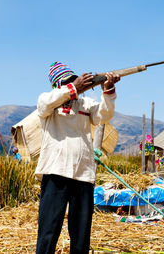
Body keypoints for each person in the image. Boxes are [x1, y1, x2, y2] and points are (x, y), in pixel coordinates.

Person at [34, 62, 120, 253]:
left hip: (83, 175)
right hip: (55, 172)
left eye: (73, 80)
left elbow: (104, 115)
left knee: (81, 233)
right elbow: (45, 104)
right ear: (59, 85)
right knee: (49, 229)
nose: (73, 85)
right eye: (67, 82)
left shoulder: (85, 104)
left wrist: (108, 89)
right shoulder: (47, 102)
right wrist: (74, 88)